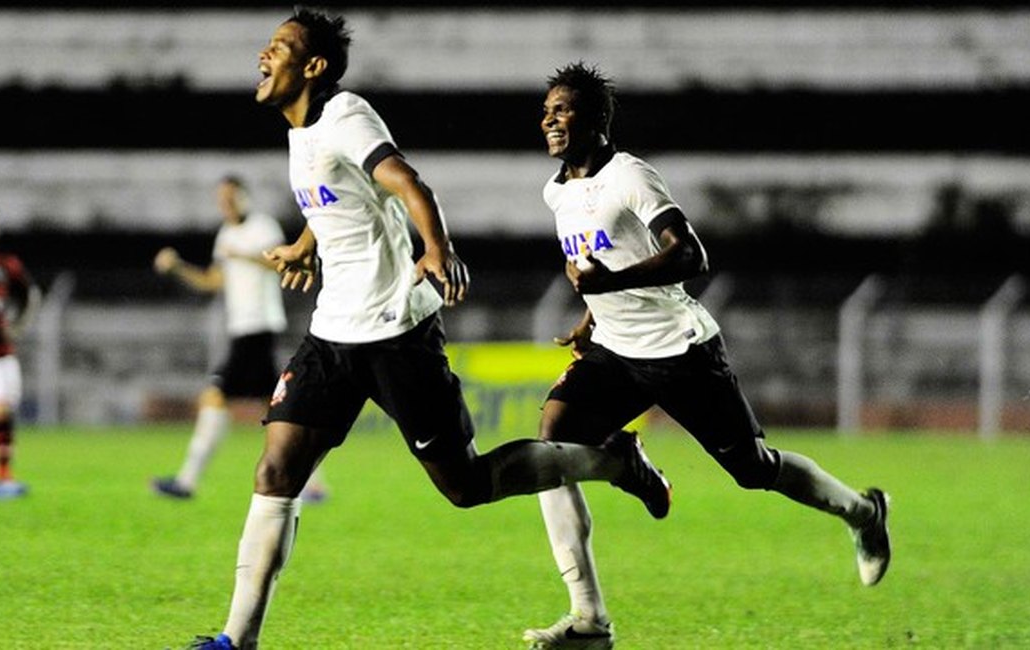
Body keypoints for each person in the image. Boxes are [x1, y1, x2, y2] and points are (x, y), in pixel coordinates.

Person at [184, 11, 670, 650]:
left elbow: (407, 182)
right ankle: (235, 639)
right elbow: (340, 198)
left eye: (278, 47)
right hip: (332, 334)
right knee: (275, 472)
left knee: (465, 486)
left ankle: (612, 462)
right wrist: (307, 242)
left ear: (314, 67)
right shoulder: (301, 132)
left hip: (395, 332)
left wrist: (435, 248)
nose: (261, 56)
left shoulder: (346, 115)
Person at [522, 63, 892, 650]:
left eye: (562, 109)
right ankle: (588, 618)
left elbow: (689, 255)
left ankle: (864, 512)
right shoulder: (556, 191)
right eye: (546, 110)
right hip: (615, 352)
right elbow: (608, 261)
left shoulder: (631, 177)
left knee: (754, 470)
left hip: (680, 351)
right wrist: (592, 318)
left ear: (595, 119)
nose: (549, 119)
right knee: (550, 446)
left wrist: (607, 286)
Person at [150, 176, 328, 503]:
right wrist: (177, 267)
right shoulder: (226, 235)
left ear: (245, 197)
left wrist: (241, 254)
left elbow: (278, 262)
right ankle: (314, 484)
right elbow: (213, 281)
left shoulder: (263, 227)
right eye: (222, 198)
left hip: (260, 327)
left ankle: (187, 481)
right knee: (277, 407)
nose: (226, 203)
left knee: (216, 395)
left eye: (232, 196)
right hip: (242, 330)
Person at [0, 203, 40, 500]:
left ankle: (4, 476)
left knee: (5, 412)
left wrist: (16, 327)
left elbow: (29, 295)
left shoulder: (4, 266)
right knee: (0, 408)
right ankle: (3, 478)